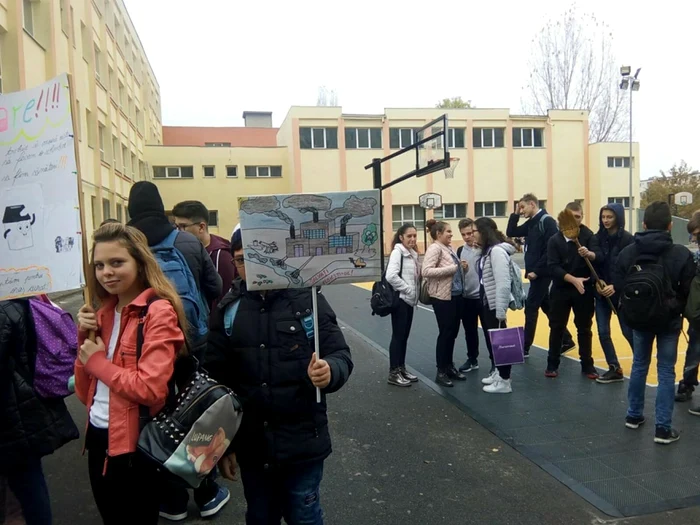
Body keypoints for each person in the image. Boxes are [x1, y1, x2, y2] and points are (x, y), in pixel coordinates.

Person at [205, 232, 353, 525]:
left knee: (304, 514)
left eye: (256, 256)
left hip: (303, 442)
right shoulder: (228, 310)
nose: (251, 266)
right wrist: (223, 446)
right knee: (261, 515)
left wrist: (329, 371)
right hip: (252, 445)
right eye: (241, 259)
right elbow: (216, 384)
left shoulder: (307, 300)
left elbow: (340, 353)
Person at [126, 184, 227, 520]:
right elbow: (214, 287)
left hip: (142, 348)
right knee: (194, 413)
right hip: (189, 342)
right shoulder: (186, 241)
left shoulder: (126, 245)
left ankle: (171, 499)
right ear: (161, 207)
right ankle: (208, 491)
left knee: (156, 417)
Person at [74, 223, 186, 524]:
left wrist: (97, 361)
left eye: (116, 262)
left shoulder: (158, 312)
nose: (106, 272)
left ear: (140, 262)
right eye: (99, 265)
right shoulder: (102, 313)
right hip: (98, 437)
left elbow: (151, 389)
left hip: (135, 446)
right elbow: (86, 393)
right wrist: (84, 336)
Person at [614, 201, 695, 444]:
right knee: (666, 371)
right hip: (668, 320)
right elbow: (689, 288)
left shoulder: (628, 252)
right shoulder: (680, 253)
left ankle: (634, 415)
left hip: (638, 319)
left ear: (643, 224)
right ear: (670, 226)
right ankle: (662, 428)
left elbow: (618, 284)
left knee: (639, 364)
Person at [0, 299, 79, 525]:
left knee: (24, 487)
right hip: (22, 407)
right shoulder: (17, 295)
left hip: (11, 413)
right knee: (26, 481)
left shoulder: (5, 303)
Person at [507, 193, 575, 357]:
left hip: (542, 273)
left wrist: (537, 271)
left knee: (531, 308)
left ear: (532, 204)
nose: (521, 211)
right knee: (547, 307)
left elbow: (550, 250)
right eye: (520, 208)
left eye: (523, 207)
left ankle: (525, 347)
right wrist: (516, 213)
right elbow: (511, 231)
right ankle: (566, 339)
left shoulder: (547, 221)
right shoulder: (531, 222)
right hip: (536, 273)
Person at [545, 202, 602, 379]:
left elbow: (599, 257)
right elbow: (552, 267)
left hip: (584, 290)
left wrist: (590, 255)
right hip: (561, 289)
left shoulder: (589, 236)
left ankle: (588, 366)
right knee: (557, 327)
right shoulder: (555, 240)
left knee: (584, 328)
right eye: (571, 216)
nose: (575, 220)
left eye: (578, 217)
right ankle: (552, 365)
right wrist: (573, 279)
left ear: (582, 217)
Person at [474, 218, 516, 394]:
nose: (473, 234)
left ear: (484, 232)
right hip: (487, 300)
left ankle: (505, 381)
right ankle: (499, 373)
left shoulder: (497, 252)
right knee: (494, 340)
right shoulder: (488, 251)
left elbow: (503, 282)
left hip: (494, 304)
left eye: (475, 230)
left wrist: (500, 310)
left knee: (502, 341)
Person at [593, 204, 634, 384]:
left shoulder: (628, 240)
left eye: (609, 217)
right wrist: (597, 282)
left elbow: (630, 269)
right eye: (603, 217)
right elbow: (595, 265)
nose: (606, 220)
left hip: (621, 295)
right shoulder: (597, 238)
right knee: (603, 332)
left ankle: (641, 361)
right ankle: (614, 367)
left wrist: (616, 286)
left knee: (628, 331)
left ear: (617, 217)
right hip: (602, 294)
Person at [422, 219, 465, 387]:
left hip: (455, 295)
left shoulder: (448, 247)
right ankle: (441, 370)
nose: (451, 234)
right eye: (448, 231)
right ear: (438, 234)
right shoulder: (435, 248)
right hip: (442, 297)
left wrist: (462, 267)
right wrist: (453, 268)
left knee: (452, 333)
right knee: (445, 333)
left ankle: (449, 366)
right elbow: (426, 271)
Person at [172, 200, 235, 306]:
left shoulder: (221, 254)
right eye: (176, 227)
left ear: (201, 227)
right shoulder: (182, 250)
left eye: (183, 226)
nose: (178, 231)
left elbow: (223, 299)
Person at [385, 223, 420, 387]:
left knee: (404, 337)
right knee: (398, 337)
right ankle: (393, 372)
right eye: (409, 236)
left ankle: (401, 367)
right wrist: (407, 289)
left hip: (409, 301)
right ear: (401, 237)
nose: (412, 239)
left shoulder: (412, 254)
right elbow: (391, 276)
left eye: (414, 236)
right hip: (400, 300)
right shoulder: (397, 253)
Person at [676, 211, 700, 403]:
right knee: (694, 346)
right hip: (697, 313)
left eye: (696, 234)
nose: (693, 238)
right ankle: (688, 382)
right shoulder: (696, 255)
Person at [457, 218, 481, 373]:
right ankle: (472, 359)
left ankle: (496, 363)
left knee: (489, 330)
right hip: (467, 297)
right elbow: (458, 275)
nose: (467, 237)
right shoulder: (460, 250)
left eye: (470, 233)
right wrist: (461, 269)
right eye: (464, 234)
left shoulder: (485, 248)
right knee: (470, 331)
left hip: (483, 297)